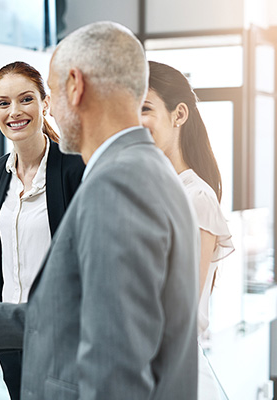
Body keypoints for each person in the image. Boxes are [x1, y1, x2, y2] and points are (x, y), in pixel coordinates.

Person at [0, 21, 200, 399]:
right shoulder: (146, 166)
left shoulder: (117, 184)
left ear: (74, 86)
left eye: (49, 90)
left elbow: (114, 364)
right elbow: (84, 311)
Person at [0, 61, 84, 400]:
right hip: (10, 330)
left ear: (45, 104)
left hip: (62, 333)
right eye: (3, 103)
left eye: (26, 99)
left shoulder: (75, 167)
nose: (15, 111)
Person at [142, 60, 234, 399]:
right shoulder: (146, 189)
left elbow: (182, 313)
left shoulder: (196, 197)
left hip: (169, 369)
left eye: (146, 108)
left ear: (179, 115)